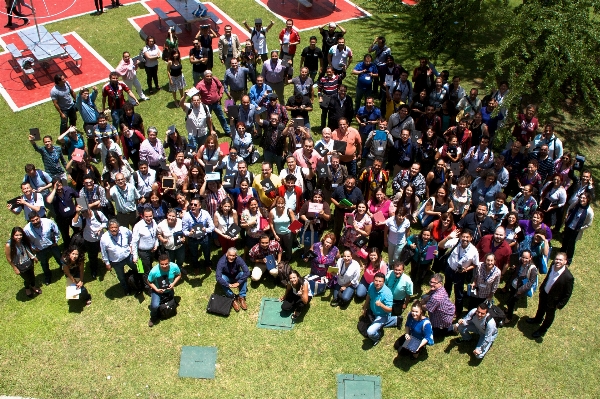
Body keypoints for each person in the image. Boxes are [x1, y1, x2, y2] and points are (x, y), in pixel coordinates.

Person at [527, 252, 574, 338]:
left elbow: (567, 293)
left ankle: (542, 330)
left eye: (560, 260)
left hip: (554, 301)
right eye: (556, 259)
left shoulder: (568, 277)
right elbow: (548, 277)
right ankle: (537, 319)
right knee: (541, 308)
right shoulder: (552, 265)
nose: (558, 261)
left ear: (565, 262)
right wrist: (542, 288)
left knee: (549, 316)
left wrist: (559, 305)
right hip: (545, 293)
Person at [443, 229, 480, 316]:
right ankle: (444, 305)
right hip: (450, 268)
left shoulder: (474, 251)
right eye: (463, 236)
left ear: (471, 238)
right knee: (446, 288)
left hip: (460, 273)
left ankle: (458, 311)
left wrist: (466, 269)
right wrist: (448, 237)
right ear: (460, 237)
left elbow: (475, 264)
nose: (465, 239)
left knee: (458, 293)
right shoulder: (455, 242)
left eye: (467, 237)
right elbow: (441, 245)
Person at [100, 219, 140, 295]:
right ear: (108, 228)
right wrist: (107, 263)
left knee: (140, 267)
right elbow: (103, 252)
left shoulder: (124, 230)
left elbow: (131, 237)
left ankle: (143, 282)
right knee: (121, 277)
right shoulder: (104, 238)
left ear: (118, 227)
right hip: (116, 261)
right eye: (111, 227)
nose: (114, 229)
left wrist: (131, 245)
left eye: (115, 227)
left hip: (128, 256)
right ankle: (126, 289)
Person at [360, 272, 396, 345]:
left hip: (383, 315)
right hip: (373, 311)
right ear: (373, 280)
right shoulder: (371, 285)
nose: (377, 283)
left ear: (384, 282)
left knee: (370, 332)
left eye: (380, 281)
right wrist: (365, 307)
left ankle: (377, 337)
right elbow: (368, 296)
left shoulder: (387, 293)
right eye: (376, 280)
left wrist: (381, 305)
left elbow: (390, 309)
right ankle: (395, 320)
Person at [182, 196, 215, 272]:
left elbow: (212, 226)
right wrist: (189, 233)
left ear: (199, 206)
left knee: (207, 252)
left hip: (204, 237)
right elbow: (184, 230)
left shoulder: (205, 213)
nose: (193, 206)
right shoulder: (186, 216)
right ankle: (196, 266)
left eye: (195, 205)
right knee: (194, 253)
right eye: (191, 204)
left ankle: (207, 264)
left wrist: (206, 229)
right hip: (192, 238)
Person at [147, 254, 181, 327]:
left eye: (166, 264)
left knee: (171, 302)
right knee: (155, 306)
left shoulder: (174, 266)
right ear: (159, 263)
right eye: (162, 264)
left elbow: (179, 275)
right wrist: (156, 289)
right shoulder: (154, 271)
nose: (164, 266)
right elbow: (149, 281)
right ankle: (153, 318)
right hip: (157, 291)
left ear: (169, 262)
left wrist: (173, 284)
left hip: (169, 289)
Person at [5, 226, 40, 298]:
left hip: (28, 262)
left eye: (20, 235)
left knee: (32, 276)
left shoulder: (23, 241)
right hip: (20, 265)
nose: (19, 237)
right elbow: (9, 258)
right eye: (16, 235)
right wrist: (15, 268)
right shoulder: (9, 245)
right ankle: (27, 288)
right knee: (27, 278)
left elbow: (27, 250)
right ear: (13, 235)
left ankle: (33, 286)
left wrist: (33, 257)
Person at [505, 250, 538, 323]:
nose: (524, 259)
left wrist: (520, 291)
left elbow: (531, 283)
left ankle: (509, 317)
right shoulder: (520, 262)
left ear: (530, 258)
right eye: (523, 257)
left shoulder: (533, 269)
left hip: (520, 289)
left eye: (526, 258)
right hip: (513, 285)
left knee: (511, 302)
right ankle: (509, 309)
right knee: (510, 299)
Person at [561, 192, 594, 264]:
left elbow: (589, 224)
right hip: (569, 225)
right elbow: (569, 208)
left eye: (584, 198)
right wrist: (567, 215)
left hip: (576, 230)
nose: (581, 199)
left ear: (588, 199)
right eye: (581, 197)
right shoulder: (576, 204)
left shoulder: (589, 211)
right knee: (565, 240)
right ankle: (562, 252)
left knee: (571, 244)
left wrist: (580, 228)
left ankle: (569, 259)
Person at [195, 70, 231, 136]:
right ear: (204, 77)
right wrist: (199, 101)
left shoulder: (215, 80)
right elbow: (195, 94)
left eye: (210, 76)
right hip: (206, 105)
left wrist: (220, 95)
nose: (209, 77)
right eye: (207, 76)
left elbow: (221, 87)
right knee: (208, 119)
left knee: (222, 117)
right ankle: (212, 131)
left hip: (216, 103)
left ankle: (228, 131)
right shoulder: (200, 85)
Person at [215, 247, 251, 312]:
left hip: (236, 276)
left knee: (243, 274)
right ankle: (232, 297)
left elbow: (247, 272)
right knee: (222, 279)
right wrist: (228, 285)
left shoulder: (239, 259)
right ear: (226, 254)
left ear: (236, 255)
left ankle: (241, 297)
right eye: (230, 255)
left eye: (233, 256)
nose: (231, 257)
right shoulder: (221, 261)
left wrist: (238, 282)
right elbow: (218, 277)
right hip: (226, 277)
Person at [269, 196, 295, 261]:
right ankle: (279, 259)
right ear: (276, 203)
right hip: (278, 233)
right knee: (278, 247)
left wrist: (295, 230)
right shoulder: (272, 211)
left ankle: (288, 259)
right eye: (278, 203)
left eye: (282, 203)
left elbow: (294, 221)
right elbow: (271, 224)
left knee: (288, 247)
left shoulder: (289, 210)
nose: (280, 205)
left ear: (284, 203)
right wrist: (275, 235)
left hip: (288, 233)